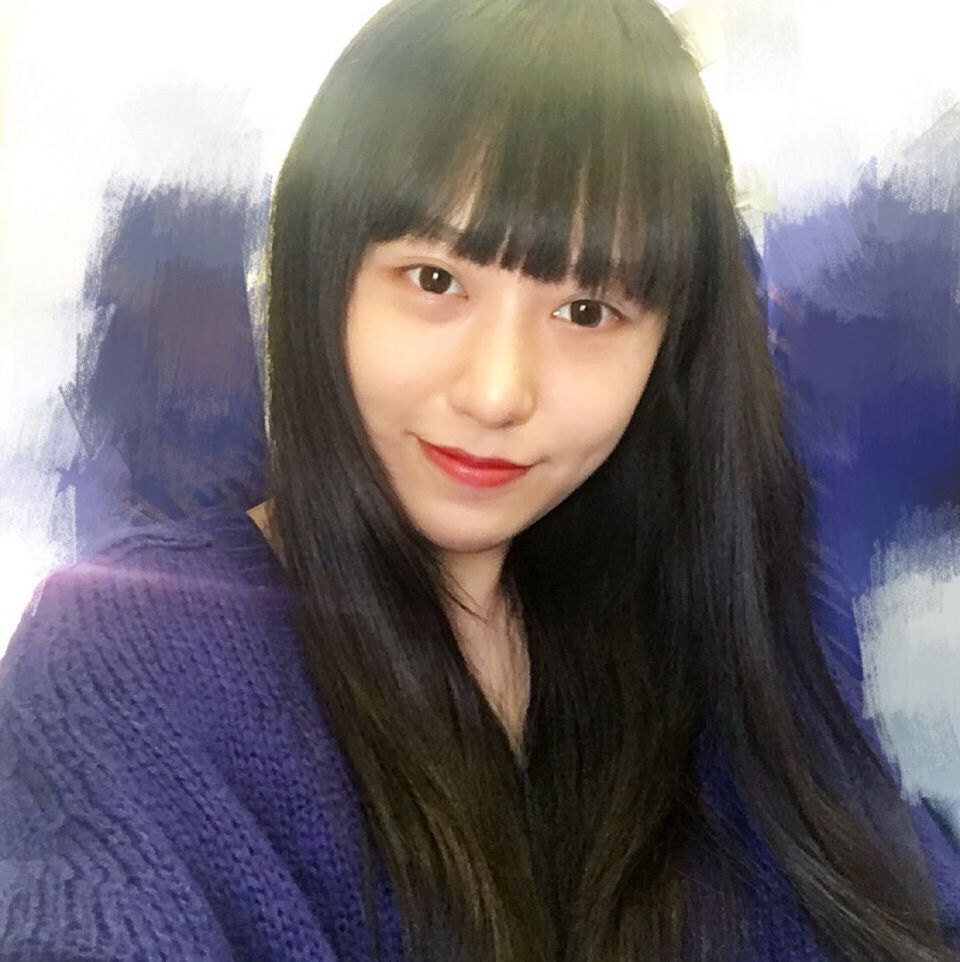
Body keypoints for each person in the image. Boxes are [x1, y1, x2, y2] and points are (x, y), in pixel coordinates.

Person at [1, 1, 958, 960]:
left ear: (670, 348)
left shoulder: (722, 636)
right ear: (321, 275)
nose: (498, 392)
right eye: (434, 280)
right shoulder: (124, 655)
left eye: (588, 310)